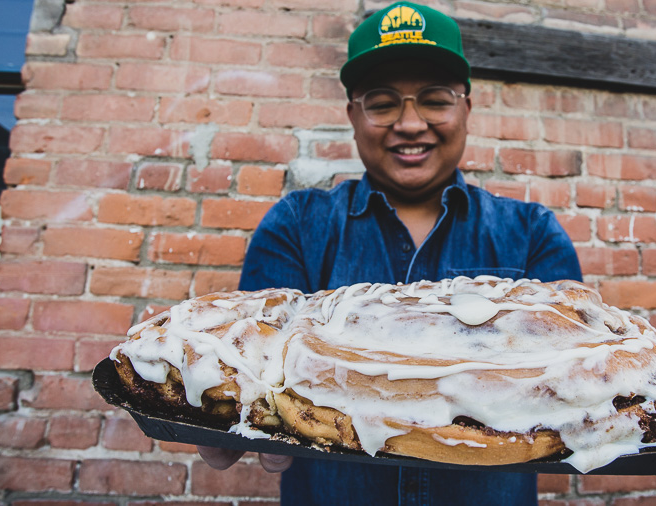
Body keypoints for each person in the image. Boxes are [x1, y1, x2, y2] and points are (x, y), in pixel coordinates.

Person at [198, 2, 582, 504]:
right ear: (353, 116)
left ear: (466, 108)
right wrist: (226, 402)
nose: (409, 122)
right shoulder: (296, 226)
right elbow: (252, 363)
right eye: (382, 103)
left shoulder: (532, 234)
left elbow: (575, 381)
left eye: (435, 99)